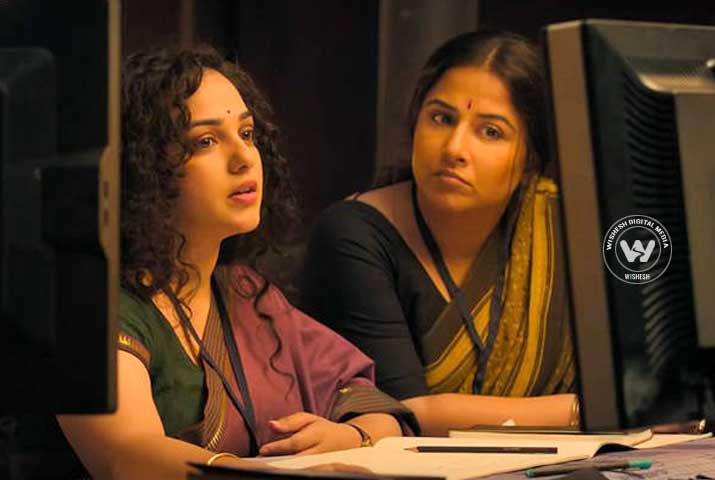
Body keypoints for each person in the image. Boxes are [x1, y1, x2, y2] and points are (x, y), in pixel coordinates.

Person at [57, 46, 416, 480]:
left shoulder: (245, 293)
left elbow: (374, 408)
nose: (244, 157)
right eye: (206, 141)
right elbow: (129, 455)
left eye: (246, 133)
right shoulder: (90, 304)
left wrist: (350, 435)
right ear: (141, 165)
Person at [299, 30, 578, 435]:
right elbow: (403, 415)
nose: (454, 149)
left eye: (491, 132)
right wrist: (583, 410)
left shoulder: (566, 230)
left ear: (531, 162)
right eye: (442, 119)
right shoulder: (353, 236)